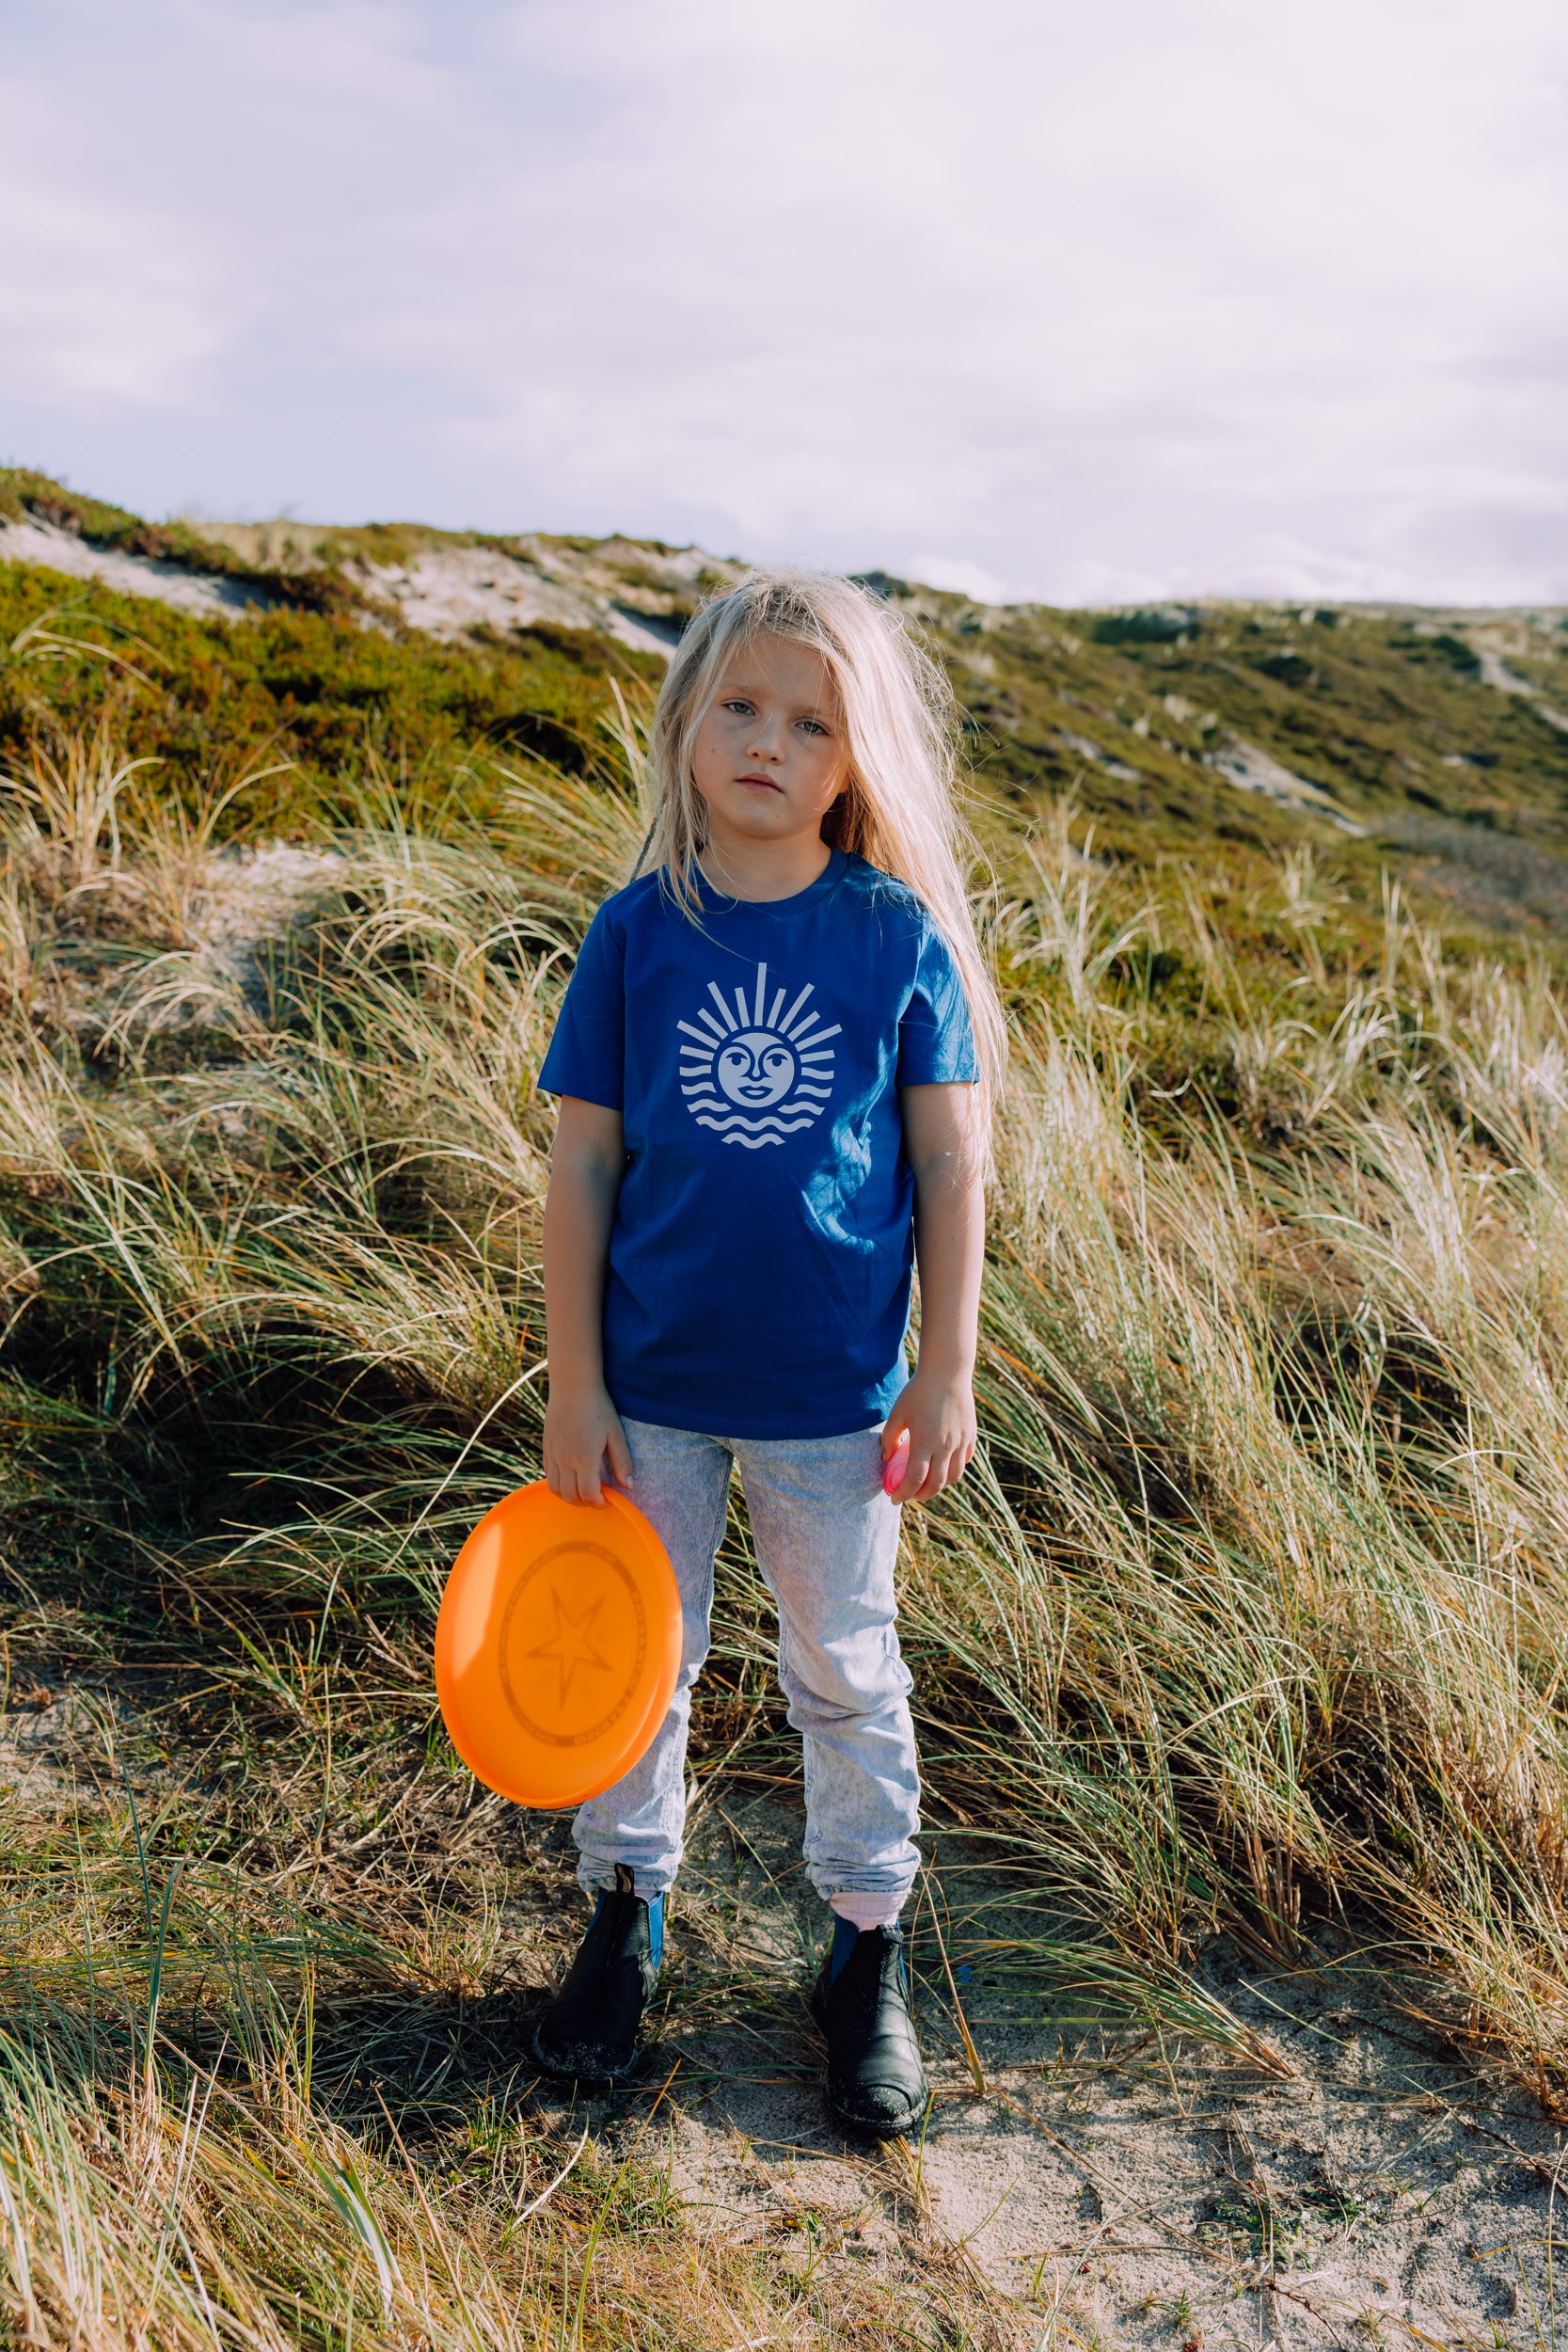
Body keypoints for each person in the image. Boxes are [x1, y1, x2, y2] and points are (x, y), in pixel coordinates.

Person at [531, 568, 1004, 2138]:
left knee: (845, 1669)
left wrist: (947, 1367)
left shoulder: (890, 939)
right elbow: (583, 1167)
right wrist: (576, 1383)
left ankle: (864, 1948)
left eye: (810, 722)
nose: (766, 742)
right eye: (738, 705)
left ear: (857, 756)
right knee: (638, 1662)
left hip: (831, 1399)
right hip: (649, 1387)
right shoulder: (635, 935)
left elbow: (949, 1165)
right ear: (686, 720)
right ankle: (626, 1912)